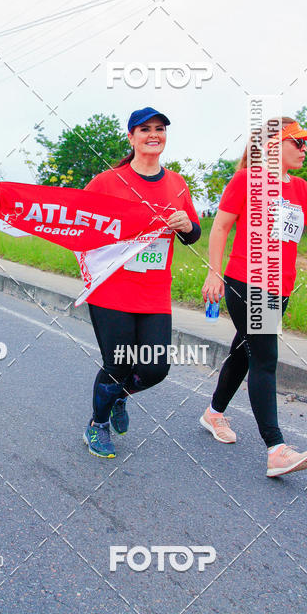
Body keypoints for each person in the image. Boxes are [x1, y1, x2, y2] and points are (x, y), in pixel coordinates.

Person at [201, 117, 307, 477]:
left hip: (279, 287)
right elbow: (221, 226)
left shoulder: (300, 189)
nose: (305, 149)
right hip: (245, 282)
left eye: (305, 144)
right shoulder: (246, 181)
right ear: (273, 146)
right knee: (265, 357)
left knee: (243, 352)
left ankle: (213, 413)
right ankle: (276, 449)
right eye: (297, 143)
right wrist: (213, 272)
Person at [81, 107, 201, 458]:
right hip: (110, 289)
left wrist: (185, 225)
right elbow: (78, 222)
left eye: (160, 129)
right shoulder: (107, 182)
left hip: (154, 292)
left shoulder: (177, 184)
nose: (154, 134)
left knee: (155, 368)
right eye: (145, 129)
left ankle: (119, 396)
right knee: (118, 363)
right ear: (131, 137)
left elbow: (192, 235)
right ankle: (97, 424)